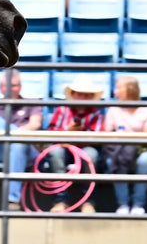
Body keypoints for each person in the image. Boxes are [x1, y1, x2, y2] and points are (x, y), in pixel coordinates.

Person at [0, 70, 43, 211]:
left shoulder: (32, 103)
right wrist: (17, 134)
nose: (11, 89)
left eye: (15, 85)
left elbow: (35, 124)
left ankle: (13, 200)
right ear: (1, 88)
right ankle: (14, 136)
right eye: (7, 86)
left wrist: (13, 136)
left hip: (26, 152)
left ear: (20, 87)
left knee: (18, 145)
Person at [101, 76, 147, 215]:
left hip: (143, 149)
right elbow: (108, 134)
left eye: (119, 88)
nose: (115, 92)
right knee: (114, 158)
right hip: (121, 149)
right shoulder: (113, 109)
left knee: (146, 160)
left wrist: (125, 135)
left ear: (130, 90)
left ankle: (138, 204)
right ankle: (123, 204)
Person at [42, 76, 106, 212]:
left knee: (91, 154)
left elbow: (97, 138)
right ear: (73, 94)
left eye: (86, 95)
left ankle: (88, 202)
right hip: (63, 149)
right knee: (56, 153)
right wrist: (67, 132)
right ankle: (60, 200)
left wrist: (76, 137)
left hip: (85, 150)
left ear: (91, 97)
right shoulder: (62, 110)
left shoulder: (96, 114)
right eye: (80, 94)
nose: (83, 98)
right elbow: (51, 132)